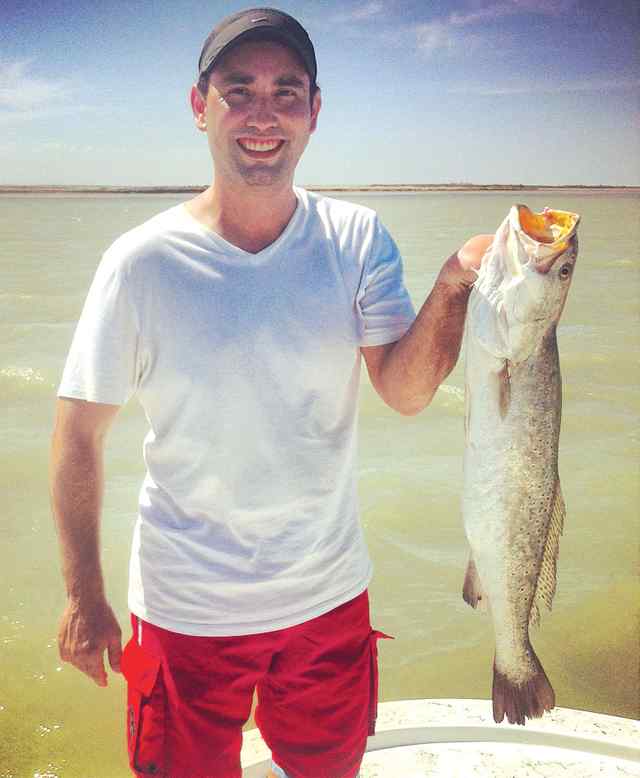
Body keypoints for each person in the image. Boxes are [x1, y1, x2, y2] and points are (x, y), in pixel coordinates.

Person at [50, 8, 492, 778]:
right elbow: (77, 435)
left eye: (287, 93)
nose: (263, 115)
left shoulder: (356, 237)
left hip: (327, 599)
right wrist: (84, 596)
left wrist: (454, 283)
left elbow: (406, 391)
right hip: (184, 611)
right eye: (238, 90)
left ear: (315, 112)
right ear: (200, 107)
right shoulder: (139, 263)